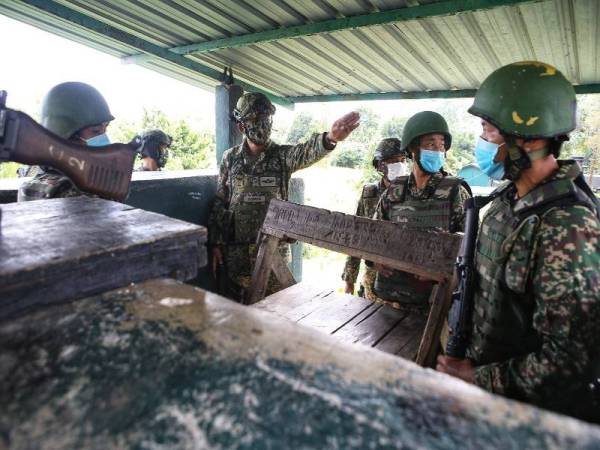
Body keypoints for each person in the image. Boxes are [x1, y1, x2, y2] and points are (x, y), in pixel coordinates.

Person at [436, 61, 600, 423]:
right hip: (483, 400)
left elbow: (570, 362)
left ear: (529, 138)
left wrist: (475, 377)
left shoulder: (567, 226)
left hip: (525, 418)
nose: (482, 142)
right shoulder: (506, 200)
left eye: (488, 130)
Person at [208, 92, 360, 302]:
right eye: (256, 120)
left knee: (275, 311)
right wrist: (215, 243)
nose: (264, 124)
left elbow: (306, 152)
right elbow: (220, 201)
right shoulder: (230, 158)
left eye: (267, 119)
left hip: (273, 254)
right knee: (239, 314)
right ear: (242, 126)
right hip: (236, 254)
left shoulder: (282, 156)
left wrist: (330, 138)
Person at [371, 111, 471, 311]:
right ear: (412, 149)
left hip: (432, 307)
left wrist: (441, 268)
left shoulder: (455, 192)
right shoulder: (394, 190)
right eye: (430, 144)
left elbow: (471, 249)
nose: (438, 150)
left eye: (441, 144)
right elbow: (372, 234)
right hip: (389, 302)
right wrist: (375, 260)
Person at [18, 82, 114, 201]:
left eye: (105, 129)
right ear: (68, 137)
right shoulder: (76, 193)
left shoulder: (33, 185)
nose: (104, 139)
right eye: (96, 131)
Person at [341, 137, 408, 297]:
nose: (400, 165)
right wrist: (350, 280)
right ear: (379, 165)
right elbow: (357, 235)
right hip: (373, 281)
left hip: (406, 282)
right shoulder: (369, 194)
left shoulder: (414, 194)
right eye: (393, 160)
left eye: (403, 160)